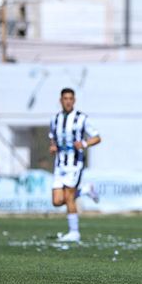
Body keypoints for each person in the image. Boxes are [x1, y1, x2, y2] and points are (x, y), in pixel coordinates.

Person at [48, 88, 102, 243]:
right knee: (57, 201)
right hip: (60, 165)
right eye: (65, 98)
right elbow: (52, 137)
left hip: (75, 164)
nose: (68, 101)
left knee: (69, 197)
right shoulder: (55, 119)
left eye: (70, 98)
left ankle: (74, 232)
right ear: (61, 100)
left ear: (74, 100)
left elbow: (97, 137)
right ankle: (85, 190)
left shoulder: (81, 118)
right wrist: (53, 146)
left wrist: (84, 143)